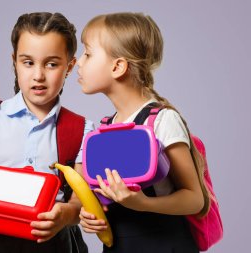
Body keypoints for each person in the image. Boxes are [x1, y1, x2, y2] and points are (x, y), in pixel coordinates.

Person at [0, 12, 93, 253]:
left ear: (69, 66)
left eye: (51, 64)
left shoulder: (81, 131)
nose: (38, 75)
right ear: (14, 61)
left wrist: (66, 214)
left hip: (52, 242)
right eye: (28, 62)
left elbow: (80, 200)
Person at [77, 12, 210, 253]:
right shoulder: (105, 128)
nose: (79, 62)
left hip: (164, 245)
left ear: (118, 67)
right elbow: (112, 198)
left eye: (87, 53)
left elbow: (195, 199)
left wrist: (144, 203)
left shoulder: (163, 120)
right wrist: (94, 215)